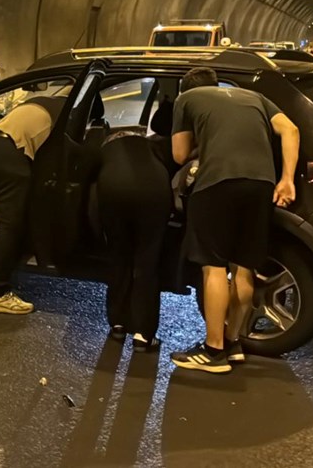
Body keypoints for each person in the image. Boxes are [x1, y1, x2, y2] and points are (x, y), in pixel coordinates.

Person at [170, 67, 300, 373]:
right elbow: (291, 130)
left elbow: (179, 154)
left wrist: (206, 141)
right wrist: (287, 180)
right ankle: (233, 342)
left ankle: (213, 351)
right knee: (245, 267)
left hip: (217, 182)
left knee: (214, 267)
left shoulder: (187, 98)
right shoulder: (255, 97)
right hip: (262, 185)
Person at [0, 96, 68, 314]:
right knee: (11, 224)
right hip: (10, 153)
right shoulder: (65, 116)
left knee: (12, 216)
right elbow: (54, 159)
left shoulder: (45, 101)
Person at [98, 102, 176, 351]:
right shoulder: (152, 146)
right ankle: (144, 334)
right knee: (147, 261)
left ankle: (118, 324)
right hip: (154, 191)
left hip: (114, 189)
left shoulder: (105, 148)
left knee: (119, 255)